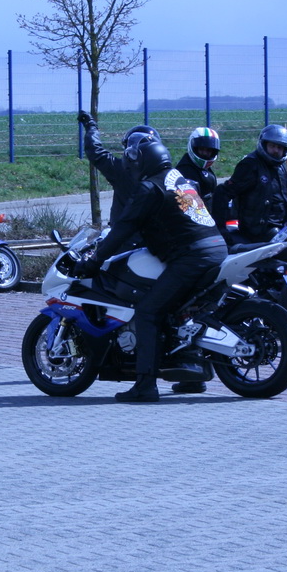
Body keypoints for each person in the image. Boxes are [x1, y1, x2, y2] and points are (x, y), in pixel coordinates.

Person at [73, 139, 227, 402]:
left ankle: (145, 385)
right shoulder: (177, 178)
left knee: (147, 311)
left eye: (133, 162)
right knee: (179, 312)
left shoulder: (149, 188)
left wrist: (93, 262)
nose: (130, 166)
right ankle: (191, 375)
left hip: (192, 257)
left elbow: (123, 228)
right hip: (217, 248)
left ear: (143, 162)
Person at [211, 123, 287, 269]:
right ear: (264, 144)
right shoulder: (250, 165)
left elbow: (283, 195)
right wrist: (221, 228)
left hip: (282, 225)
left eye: (280, 147)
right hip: (261, 229)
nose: (276, 150)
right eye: (273, 146)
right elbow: (223, 193)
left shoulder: (279, 166)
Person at [79, 112, 159, 225]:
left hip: (123, 232)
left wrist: (91, 126)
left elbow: (95, 152)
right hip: (157, 233)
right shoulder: (168, 175)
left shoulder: (122, 170)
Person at [174, 127, 220, 212]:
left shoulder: (203, 168)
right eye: (202, 149)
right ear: (194, 148)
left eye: (209, 150)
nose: (205, 153)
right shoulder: (186, 170)